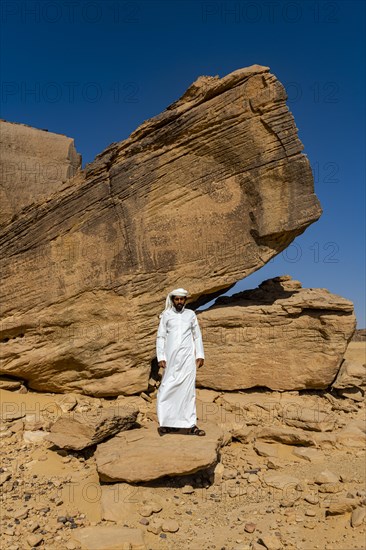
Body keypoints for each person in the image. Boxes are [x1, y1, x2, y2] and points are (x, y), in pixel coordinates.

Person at [156, 288, 206, 436]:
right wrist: (161, 357)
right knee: (166, 389)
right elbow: (161, 337)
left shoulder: (190, 315)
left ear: (185, 300)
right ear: (172, 300)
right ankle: (165, 423)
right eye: (176, 299)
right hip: (170, 359)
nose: (179, 302)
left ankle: (191, 425)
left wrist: (200, 354)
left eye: (181, 299)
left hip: (187, 359)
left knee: (187, 391)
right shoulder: (166, 315)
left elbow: (197, 336)